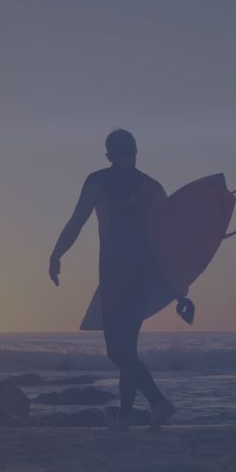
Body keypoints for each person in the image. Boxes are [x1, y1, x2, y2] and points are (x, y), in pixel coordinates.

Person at [49, 129, 176, 430]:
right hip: (145, 272)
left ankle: (158, 401)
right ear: (136, 151)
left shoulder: (98, 180)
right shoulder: (153, 186)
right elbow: (170, 239)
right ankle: (125, 417)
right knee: (127, 346)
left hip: (115, 271)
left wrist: (56, 254)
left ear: (108, 155)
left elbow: (76, 223)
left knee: (116, 350)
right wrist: (176, 284)